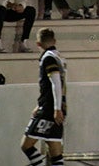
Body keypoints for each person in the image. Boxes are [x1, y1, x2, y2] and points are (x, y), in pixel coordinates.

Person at [20, 28, 66, 166]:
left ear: (38, 44)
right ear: (55, 41)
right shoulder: (59, 57)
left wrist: (55, 108)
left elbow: (56, 83)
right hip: (57, 107)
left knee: (26, 145)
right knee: (55, 150)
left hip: (48, 109)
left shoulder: (48, 58)